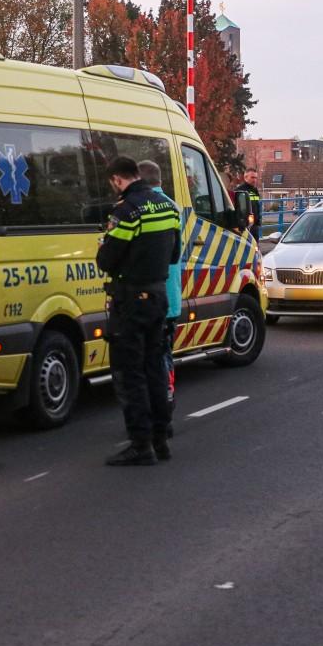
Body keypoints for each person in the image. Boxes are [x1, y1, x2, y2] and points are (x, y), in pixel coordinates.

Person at [96, 156, 181, 466]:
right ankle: (161, 440)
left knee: (130, 374)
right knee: (155, 368)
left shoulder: (126, 212)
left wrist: (105, 245)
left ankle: (140, 445)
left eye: (113, 184)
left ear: (118, 180)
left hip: (130, 301)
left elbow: (106, 261)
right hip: (159, 297)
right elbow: (174, 255)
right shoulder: (168, 208)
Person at [137, 159, 182, 439]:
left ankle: (158, 414)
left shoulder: (143, 209)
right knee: (165, 355)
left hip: (151, 297)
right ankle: (165, 404)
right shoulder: (172, 208)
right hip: (172, 297)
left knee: (150, 360)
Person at [233, 167, 262, 240]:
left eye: (256, 178)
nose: (254, 180)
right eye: (252, 177)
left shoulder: (255, 190)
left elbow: (257, 206)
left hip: (254, 225)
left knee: (255, 247)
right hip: (245, 226)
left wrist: (258, 221)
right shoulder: (239, 191)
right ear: (245, 177)